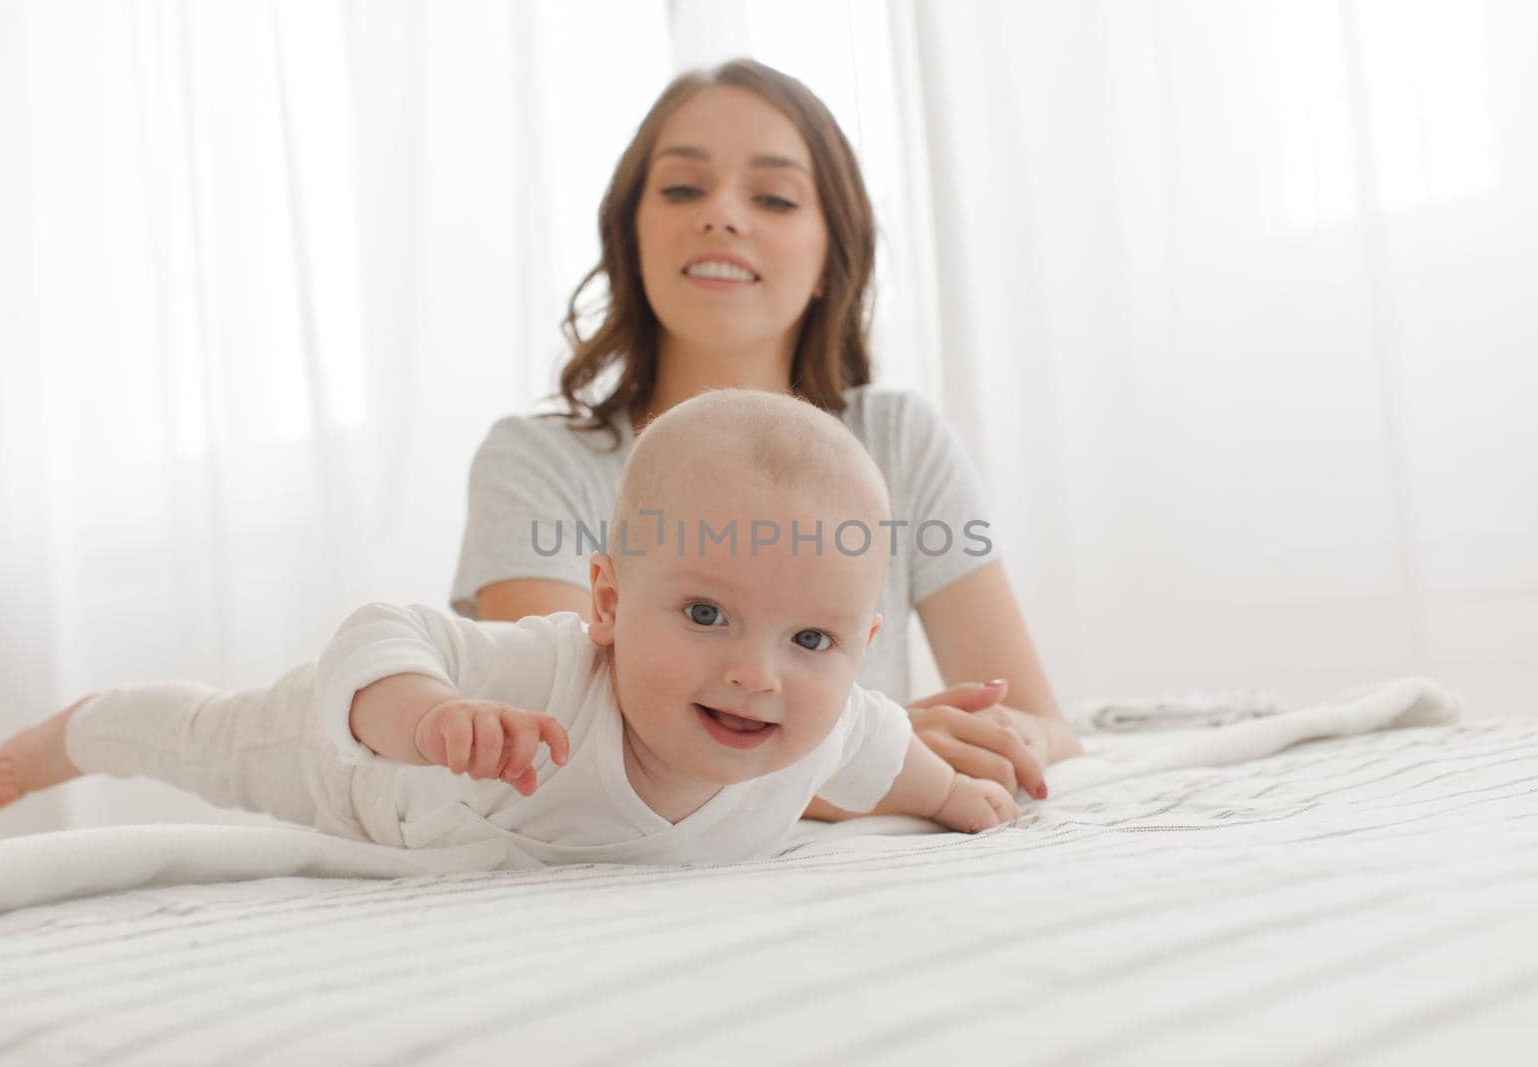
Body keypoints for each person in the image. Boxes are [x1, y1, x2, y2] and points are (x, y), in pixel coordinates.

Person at [0, 393, 1029, 865]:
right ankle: (80, 728)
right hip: (361, 768)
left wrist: (963, 798)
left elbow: (898, 760)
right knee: (205, 737)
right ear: (608, 603)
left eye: (811, 640)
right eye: (706, 613)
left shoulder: (832, 725)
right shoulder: (548, 676)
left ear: (859, 641)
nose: (757, 674)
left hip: (458, 829)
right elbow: (381, 627)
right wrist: (427, 713)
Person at [452, 58, 1081, 822]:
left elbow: (1043, 723)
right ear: (630, 238)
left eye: (774, 197)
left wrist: (1006, 736)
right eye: (682, 188)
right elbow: (566, 741)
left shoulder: (899, 439)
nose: (721, 214)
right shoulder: (538, 464)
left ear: (828, 257)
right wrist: (881, 763)